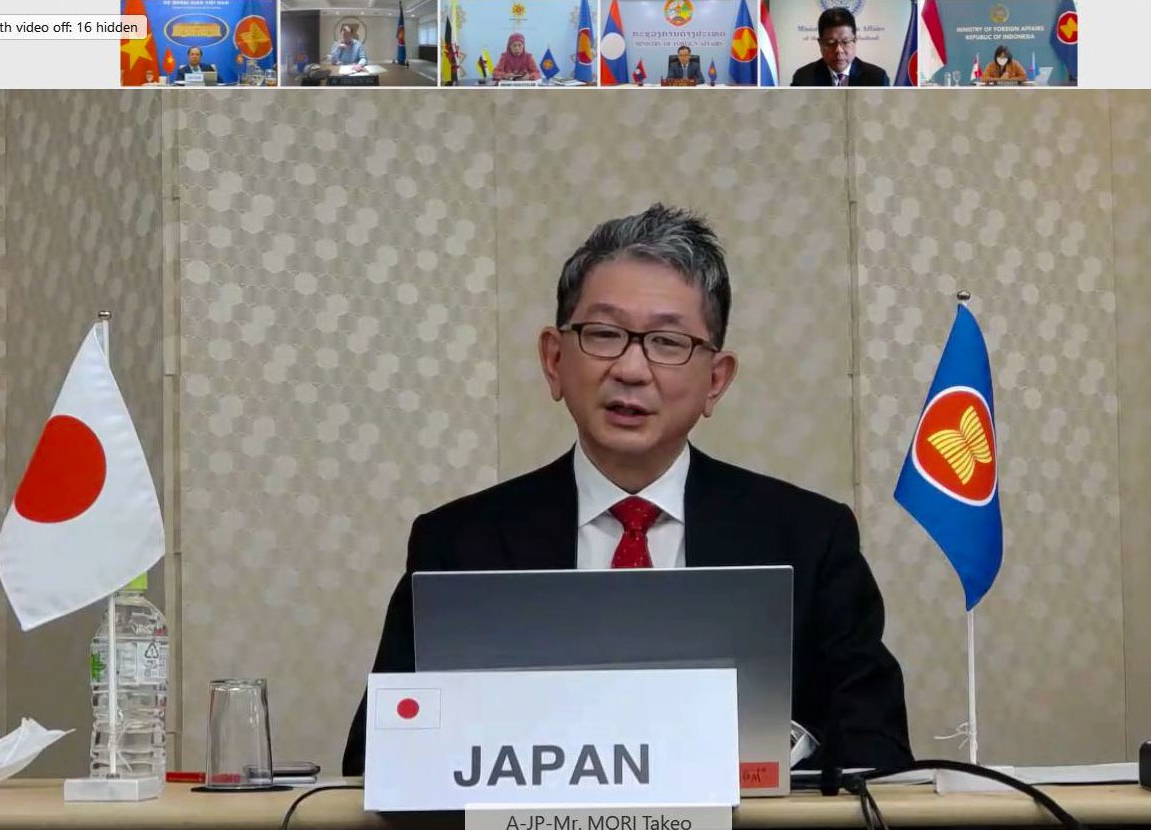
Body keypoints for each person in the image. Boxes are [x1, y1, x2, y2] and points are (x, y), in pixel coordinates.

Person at [341, 204, 913, 776]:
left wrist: (775, 751)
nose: (632, 369)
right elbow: (376, 763)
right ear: (554, 360)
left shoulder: (808, 540)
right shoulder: (457, 545)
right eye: (605, 334)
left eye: (667, 342)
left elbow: (877, 755)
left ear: (715, 381)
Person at [790, 7, 889, 87]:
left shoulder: (877, 79)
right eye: (830, 43)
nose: (839, 50)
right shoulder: (803, 79)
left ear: (855, 41)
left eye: (845, 42)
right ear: (820, 44)